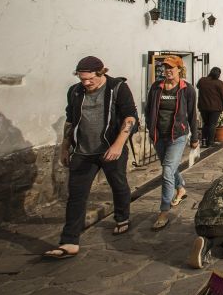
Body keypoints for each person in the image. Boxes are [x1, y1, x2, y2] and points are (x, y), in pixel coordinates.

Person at [44, 56, 138, 259]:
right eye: (82, 79)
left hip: (111, 148)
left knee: (118, 184)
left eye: (90, 79)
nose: (86, 83)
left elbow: (130, 117)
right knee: (76, 196)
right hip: (83, 152)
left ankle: (122, 218)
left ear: (101, 73)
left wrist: (118, 145)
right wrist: (64, 147)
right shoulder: (75, 91)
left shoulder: (117, 88)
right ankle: (69, 241)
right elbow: (70, 121)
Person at [145, 55, 199, 231]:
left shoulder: (187, 89)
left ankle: (164, 211)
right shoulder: (156, 87)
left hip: (178, 136)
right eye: (165, 67)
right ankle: (180, 189)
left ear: (179, 69)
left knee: (167, 171)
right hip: (159, 136)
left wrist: (195, 137)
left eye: (171, 68)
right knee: (170, 167)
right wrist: (150, 127)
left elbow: (192, 115)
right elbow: (148, 110)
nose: (167, 70)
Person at [197, 67, 223, 148]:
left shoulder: (202, 80)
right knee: (212, 124)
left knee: (206, 124)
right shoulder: (219, 83)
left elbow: (198, 86)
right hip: (215, 108)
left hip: (203, 106)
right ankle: (210, 142)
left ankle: (204, 141)